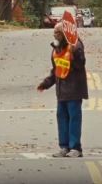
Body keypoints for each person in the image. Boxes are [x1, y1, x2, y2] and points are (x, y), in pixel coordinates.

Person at [37, 22, 88, 158]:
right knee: (62, 119)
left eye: (58, 32)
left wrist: (74, 54)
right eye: (54, 32)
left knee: (74, 119)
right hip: (61, 92)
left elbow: (81, 63)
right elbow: (56, 71)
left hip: (74, 90)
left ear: (65, 34)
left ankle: (75, 148)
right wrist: (45, 84)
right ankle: (64, 146)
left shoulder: (76, 46)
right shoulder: (56, 49)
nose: (55, 35)